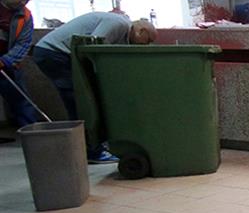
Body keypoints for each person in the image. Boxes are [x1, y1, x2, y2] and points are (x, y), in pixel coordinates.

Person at [33, 11, 157, 164]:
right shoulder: (119, 24)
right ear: (140, 31)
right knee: (80, 101)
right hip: (54, 53)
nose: (147, 45)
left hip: (59, 53)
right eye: (148, 40)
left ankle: (93, 145)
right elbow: (92, 47)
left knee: (85, 99)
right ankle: (90, 150)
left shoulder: (123, 32)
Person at [0, 0, 38, 128]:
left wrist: (5, 61)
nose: (23, 3)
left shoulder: (25, 15)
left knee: (21, 100)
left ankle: (32, 132)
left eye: (27, 0)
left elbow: (24, 43)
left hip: (7, 63)